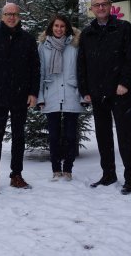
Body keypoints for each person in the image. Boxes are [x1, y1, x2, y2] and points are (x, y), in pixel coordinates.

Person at [77, 0, 131, 195]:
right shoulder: (87, 34)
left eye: (104, 4)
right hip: (97, 94)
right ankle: (108, 174)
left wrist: (124, 83)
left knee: (125, 136)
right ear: (92, 9)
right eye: (96, 5)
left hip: (119, 92)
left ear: (110, 6)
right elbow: (82, 64)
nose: (101, 7)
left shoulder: (123, 28)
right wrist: (85, 90)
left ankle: (130, 179)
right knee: (103, 136)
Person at [0, 2, 40, 194]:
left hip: (21, 96)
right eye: (8, 14)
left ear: (19, 17)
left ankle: (16, 175)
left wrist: (33, 93)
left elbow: (35, 68)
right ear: (2, 17)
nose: (11, 17)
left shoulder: (28, 39)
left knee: (19, 137)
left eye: (14, 14)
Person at [36, 14, 85, 182]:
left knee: (71, 136)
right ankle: (56, 169)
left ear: (67, 28)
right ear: (51, 27)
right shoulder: (43, 46)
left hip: (71, 93)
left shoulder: (75, 45)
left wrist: (82, 94)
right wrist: (40, 97)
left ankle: (68, 169)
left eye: (62, 26)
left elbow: (81, 71)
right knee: (54, 136)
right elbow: (40, 72)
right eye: (56, 26)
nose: (59, 29)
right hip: (51, 93)